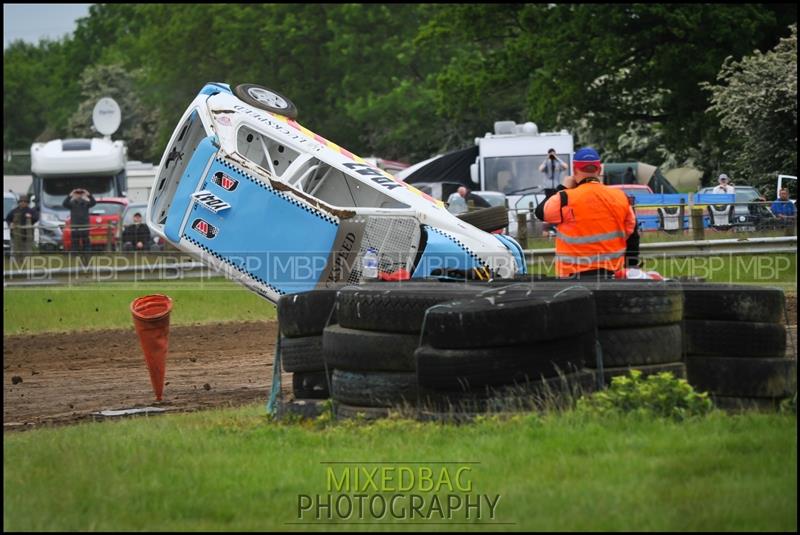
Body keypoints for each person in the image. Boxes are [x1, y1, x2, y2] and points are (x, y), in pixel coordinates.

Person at [533, 147, 636, 279]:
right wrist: (631, 268)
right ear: (599, 170)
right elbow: (632, 234)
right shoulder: (620, 197)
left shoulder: (565, 198)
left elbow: (540, 212)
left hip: (572, 279)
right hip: (612, 276)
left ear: (574, 170)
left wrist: (562, 187)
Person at [63, 188, 96, 252]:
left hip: (85, 226)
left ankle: (87, 255)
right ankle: (75, 256)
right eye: (77, 193)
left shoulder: (86, 203)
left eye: (80, 193)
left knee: (86, 242)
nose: (79, 195)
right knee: (75, 243)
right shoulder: (72, 203)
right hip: (75, 226)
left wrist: (88, 195)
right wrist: (71, 195)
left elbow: (93, 203)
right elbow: (64, 204)